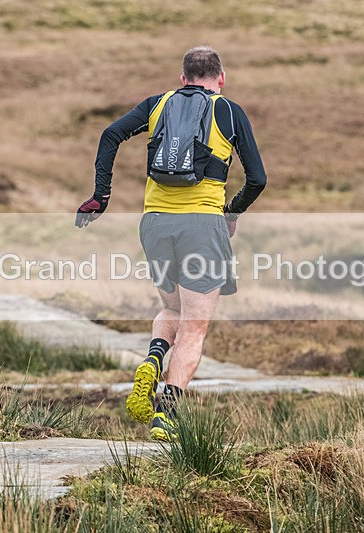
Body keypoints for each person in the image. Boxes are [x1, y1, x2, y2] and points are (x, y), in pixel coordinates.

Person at [75, 46, 267, 441]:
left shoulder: (157, 103)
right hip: (202, 225)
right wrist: (231, 213)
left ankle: (154, 356)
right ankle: (167, 415)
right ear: (221, 79)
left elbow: (111, 134)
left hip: (155, 223)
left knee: (170, 307)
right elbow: (257, 179)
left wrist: (101, 196)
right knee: (194, 328)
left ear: (183, 79)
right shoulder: (229, 111)